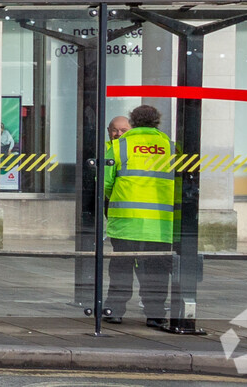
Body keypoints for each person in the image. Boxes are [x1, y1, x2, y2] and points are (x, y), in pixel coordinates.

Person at [102, 104, 180, 329]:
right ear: (157, 122)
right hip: (161, 224)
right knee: (156, 271)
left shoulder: (119, 146)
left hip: (126, 220)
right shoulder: (171, 147)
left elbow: (106, 182)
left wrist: (117, 196)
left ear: (133, 122)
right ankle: (155, 315)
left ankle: (115, 311)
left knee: (121, 267)